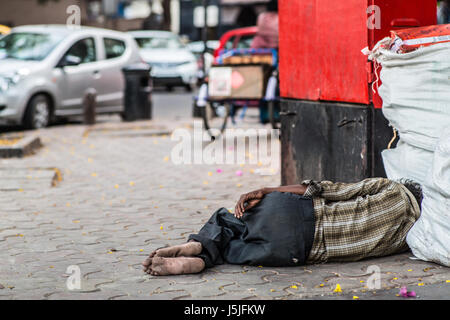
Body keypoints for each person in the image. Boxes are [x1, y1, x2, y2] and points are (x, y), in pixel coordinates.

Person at [142, 178, 423, 276]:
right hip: (297, 251)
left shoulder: (391, 189)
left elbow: (324, 188)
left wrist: (266, 189)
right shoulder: (414, 236)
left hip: (296, 213)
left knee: (227, 220)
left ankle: (199, 245)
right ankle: (202, 260)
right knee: (233, 249)